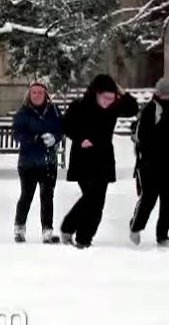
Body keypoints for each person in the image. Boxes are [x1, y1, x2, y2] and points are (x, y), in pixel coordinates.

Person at [59, 73, 138, 249]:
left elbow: (133, 108)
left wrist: (121, 92)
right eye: (105, 97)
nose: (108, 101)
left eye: (112, 98)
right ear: (95, 93)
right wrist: (80, 139)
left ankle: (84, 239)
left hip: (103, 159)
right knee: (91, 197)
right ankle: (68, 227)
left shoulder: (113, 106)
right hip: (83, 158)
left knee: (97, 203)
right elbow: (66, 125)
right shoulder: (78, 106)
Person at [128, 78, 169, 248]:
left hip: (168, 160)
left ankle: (163, 235)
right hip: (149, 162)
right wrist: (150, 154)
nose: (167, 97)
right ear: (158, 93)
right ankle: (136, 226)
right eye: (164, 94)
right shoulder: (149, 109)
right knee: (149, 198)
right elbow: (142, 136)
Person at [12, 81, 64, 243]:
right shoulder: (23, 112)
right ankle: (19, 228)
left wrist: (55, 138)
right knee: (26, 195)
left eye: (40, 92)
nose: (37, 95)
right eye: (34, 92)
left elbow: (61, 128)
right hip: (28, 161)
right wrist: (34, 139)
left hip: (48, 160)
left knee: (47, 196)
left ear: (46, 95)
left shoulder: (54, 111)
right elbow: (17, 134)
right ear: (29, 94)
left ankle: (47, 230)